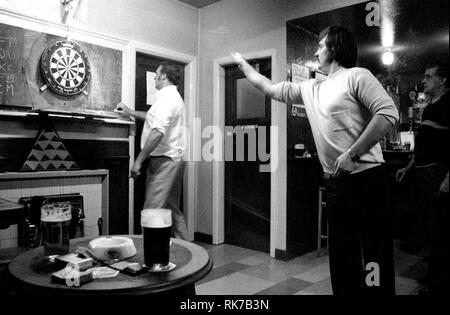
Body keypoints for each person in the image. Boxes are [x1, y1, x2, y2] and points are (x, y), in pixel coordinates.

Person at [231, 26, 399, 295]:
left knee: (374, 251)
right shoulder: (309, 89)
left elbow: (388, 114)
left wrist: (351, 154)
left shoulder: (357, 76)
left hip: (368, 178)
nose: (316, 50)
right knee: (342, 254)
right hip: (337, 182)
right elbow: (269, 87)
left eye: (321, 45)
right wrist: (243, 66)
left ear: (334, 47)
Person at [116, 61, 192, 241]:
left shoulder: (167, 99)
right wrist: (130, 112)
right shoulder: (171, 97)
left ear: (163, 76)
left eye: (157, 74)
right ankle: (192, 253)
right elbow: (153, 119)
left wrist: (138, 161)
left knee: (151, 211)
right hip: (174, 160)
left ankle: (150, 259)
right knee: (172, 210)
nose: (154, 78)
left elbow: (158, 132)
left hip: (165, 163)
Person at [396, 63, 449, 295]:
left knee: (440, 229)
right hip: (423, 172)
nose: (424, 81)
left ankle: (438, 283)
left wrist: (448, 178)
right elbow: (424, 145)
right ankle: (433, 276)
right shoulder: (429, 107)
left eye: (429, 77)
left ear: (442, 80)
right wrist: (408, 167)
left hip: (438, 172)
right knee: (431, 225)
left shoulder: (449, 104)